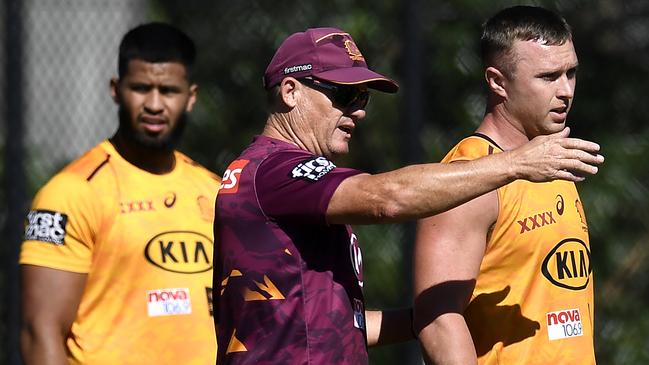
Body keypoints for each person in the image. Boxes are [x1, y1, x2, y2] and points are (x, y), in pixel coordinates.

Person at [213, 26, 602, 364]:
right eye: (344, 96)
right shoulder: (272, 170)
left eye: (363, 99)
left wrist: (436, 316)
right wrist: (515, 164)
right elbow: (388, 198)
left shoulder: (286, 189)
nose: (359, 112)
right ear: (290, 91)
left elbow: (339, 323)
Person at [20, 23, 219, 365]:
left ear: (191, 97)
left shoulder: (217, 191)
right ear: (116, 89)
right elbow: (42, 331)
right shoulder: (70, 194)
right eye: (141, 88)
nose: (154, 104)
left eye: (168, 90)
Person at [413, 6, 597, 365]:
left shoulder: (552, 157)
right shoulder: (468, 176)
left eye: (570, 73)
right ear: (498, 81)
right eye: (548, 77)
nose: (566, 91)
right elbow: (438, 321)